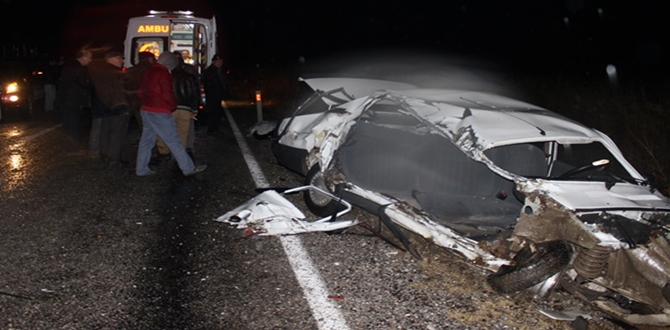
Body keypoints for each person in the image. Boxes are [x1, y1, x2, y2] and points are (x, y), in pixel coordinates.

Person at [135, 51, 207, 177]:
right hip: (160, 111)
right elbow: (167, 94)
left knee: (146, 141)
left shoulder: (148, 71)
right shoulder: (164, 73)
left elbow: (140, 92)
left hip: (146, 109)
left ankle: (141, 169)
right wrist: (171, 106)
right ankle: (188, 168)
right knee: (174, 140)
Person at [89, 50, 131, 165]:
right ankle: (114, 158)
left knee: (105, 131)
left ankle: (105, 155)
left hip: (103, 106)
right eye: (120, 58)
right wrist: (124, 105)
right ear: (111, 58)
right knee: (117, 134)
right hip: (117, 106)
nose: (122, 61)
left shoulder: (99, 71)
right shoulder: (115, 72)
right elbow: (119, 91)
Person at [156, 54, 201, 162]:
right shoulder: (189, 77)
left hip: (169, 108)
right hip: (185, 109)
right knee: (182, 134)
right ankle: (180, 157)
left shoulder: (166, 76)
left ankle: (164, 151)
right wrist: (194, 109)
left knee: (166, 131)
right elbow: (195, 94)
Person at [55, 48, 94, 152]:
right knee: (71, 125)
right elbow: (76, 85)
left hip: (71, 101)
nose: (90, 60)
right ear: (83, 57)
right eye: (89, 58)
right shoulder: (73, 68)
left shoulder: (74, 67)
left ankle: (72, 147)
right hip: (71, 102)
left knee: (72, 124)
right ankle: (71, 148)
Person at [123, 51, 156, 131]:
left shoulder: (130, 71)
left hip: (136, 103)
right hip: (152, 103)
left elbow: (125, 88)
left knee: (143, 126)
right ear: (150, 59)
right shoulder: (154, 71)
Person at [202, 53, 229, 135]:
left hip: (217, 96)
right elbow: (210, 85)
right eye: (218, 61)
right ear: (214, 62)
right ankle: (211, 130)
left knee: (216, 113)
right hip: (212, 96)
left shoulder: (218, 71)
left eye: (221, 61)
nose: (220, 63)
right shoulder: (210, 72)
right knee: (213, 113)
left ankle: (215, 129)